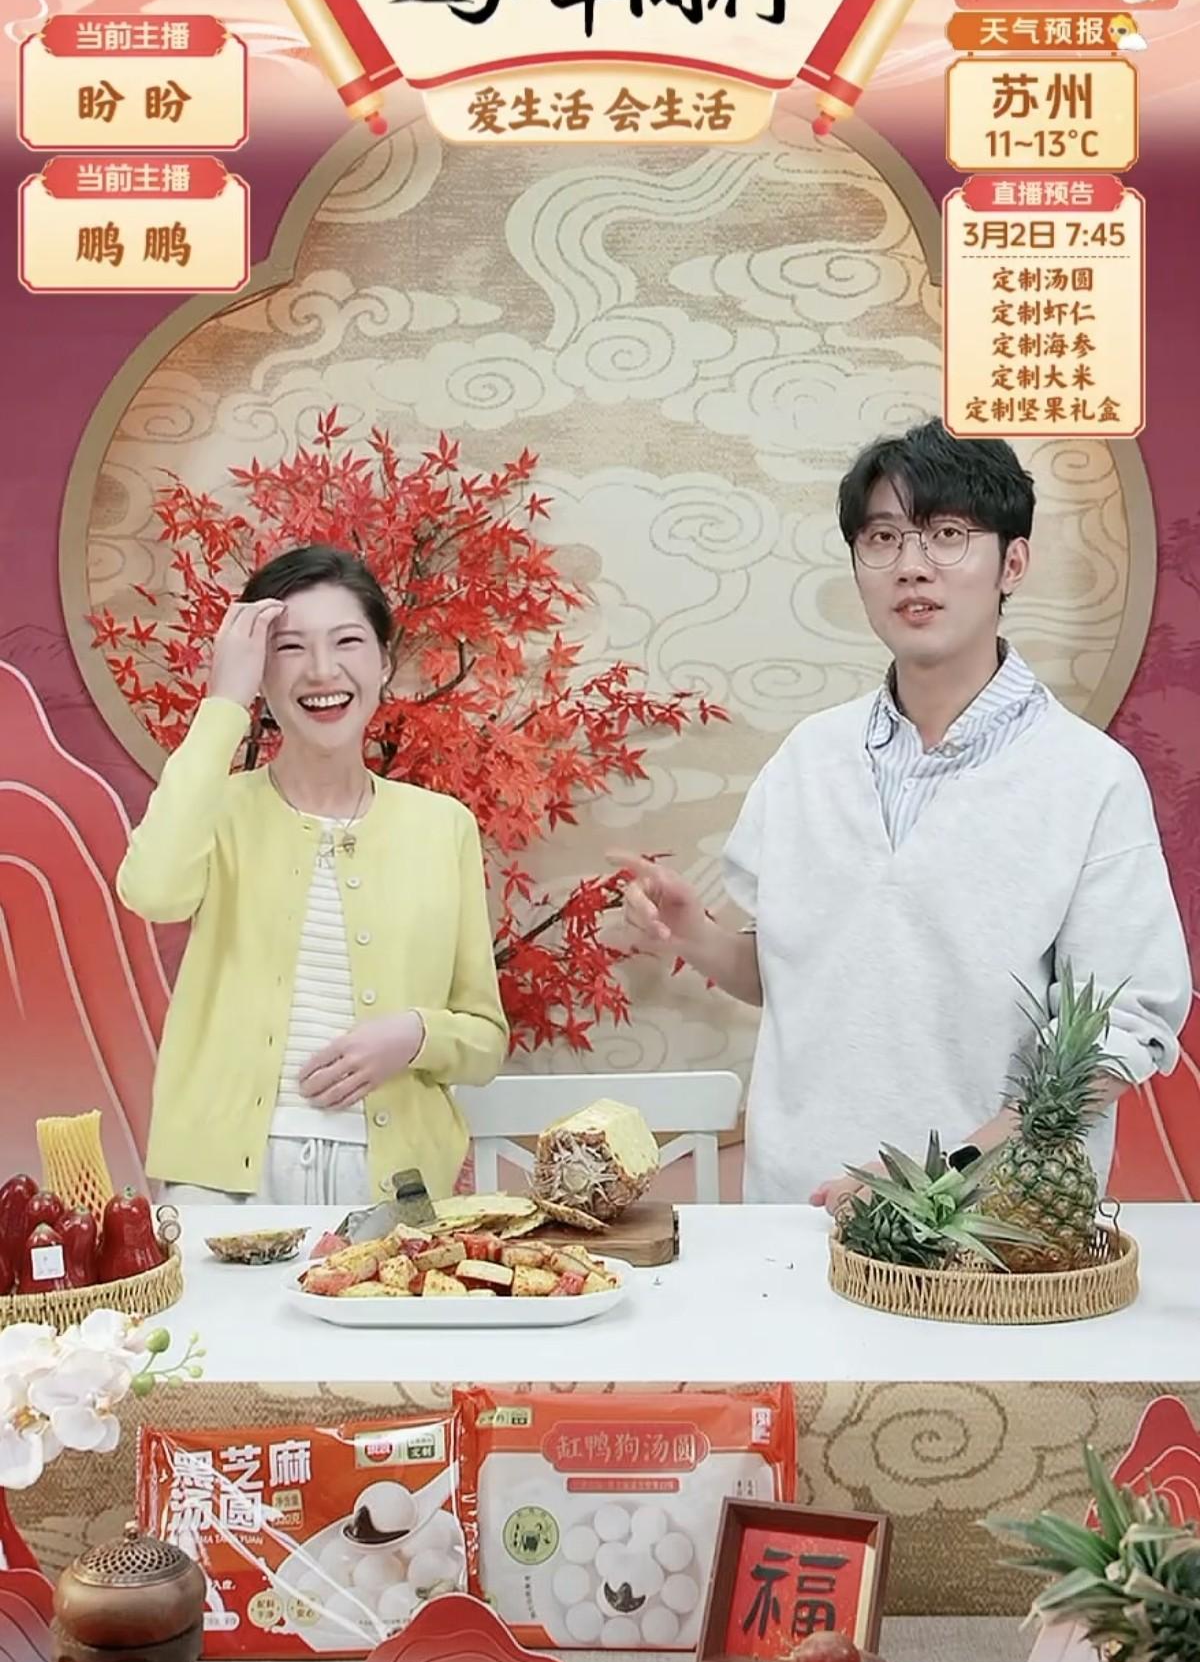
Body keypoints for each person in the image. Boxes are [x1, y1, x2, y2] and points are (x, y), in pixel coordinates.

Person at [617, 420, 1191, 1209]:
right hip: (794, 1217)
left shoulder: (1090, 779)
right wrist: (699, 937)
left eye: (948, 534)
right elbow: (804, 977)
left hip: (991, 1232)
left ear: (1013, 562)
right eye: (883, 538)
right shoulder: (809, 758)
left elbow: (1120, 1033)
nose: (912, 565)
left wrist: (944, 1174)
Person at [117, 543, 507, 1206]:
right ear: (260, 672)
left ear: (384, 662)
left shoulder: (443, 826)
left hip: (394, 1183)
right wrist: (223, 703)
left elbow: (485, 1039)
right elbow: (152, 891)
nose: (322, 670)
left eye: (348, 641)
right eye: (290, 647)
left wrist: (414, 1034)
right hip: (220, 1181)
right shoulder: (218, 807)